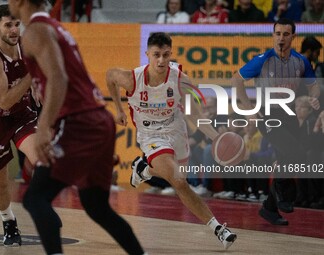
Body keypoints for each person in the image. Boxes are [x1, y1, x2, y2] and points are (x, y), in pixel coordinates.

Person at [7, 1, 146, 255]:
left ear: (21, 2)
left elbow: (59, 78)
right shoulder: (56, 28)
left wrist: (43, 128)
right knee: (95, 206)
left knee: (35, 198)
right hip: (97, 121)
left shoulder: (36, 31)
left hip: (78, 122)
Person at [106, 32, 237, 249]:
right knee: (178, 181)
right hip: (150, 135)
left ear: (170, 54)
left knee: (179, 181)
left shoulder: (181, 80)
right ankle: (218, 229)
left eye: (166, 55)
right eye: (156, 55)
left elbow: (196, 116)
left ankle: (144, 170)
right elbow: (110, 75)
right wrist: (118, 109)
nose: (161, 60)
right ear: (147, 54)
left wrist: (218, 138)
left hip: (176, 130)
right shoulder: (132, 78)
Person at [232, 18, 320, 225]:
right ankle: (285, 196)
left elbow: (313, 85)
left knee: (289, 159)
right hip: (267, 116)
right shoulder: (262, 60)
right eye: (278, 33)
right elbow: (236, 79)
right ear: (273, 35)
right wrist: (248, 109)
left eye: (286, 34)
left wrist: (313, 96)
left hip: (289, 116)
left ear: (293, 37)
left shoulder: (301, 61)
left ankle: (269, 209)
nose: (281, 38)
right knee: (296, 154)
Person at [0, 4, 38, 246]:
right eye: (8, 25)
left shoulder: (27, 47)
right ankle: (8, 220)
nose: (15, 29)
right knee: (0, 185)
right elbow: (4, 100)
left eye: (17, 24)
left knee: (42, 157)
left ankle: (42, 206)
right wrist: (32, 77)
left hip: (22, 116)